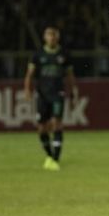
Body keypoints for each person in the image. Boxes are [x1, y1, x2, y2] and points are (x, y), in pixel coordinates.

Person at [23, 26, 78, 171]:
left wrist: (72, 92)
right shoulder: (38, 55)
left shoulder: (64, 54)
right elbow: (29, 75)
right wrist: (27, 90)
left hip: (58, 94)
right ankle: (49, 155)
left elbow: (70, 76)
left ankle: (55, 159)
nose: (51, 38)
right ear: (45, 38)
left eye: (54, 36)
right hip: (42, 95)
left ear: (57, 37)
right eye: (49, 35)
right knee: (42, 127)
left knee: (57, 123)